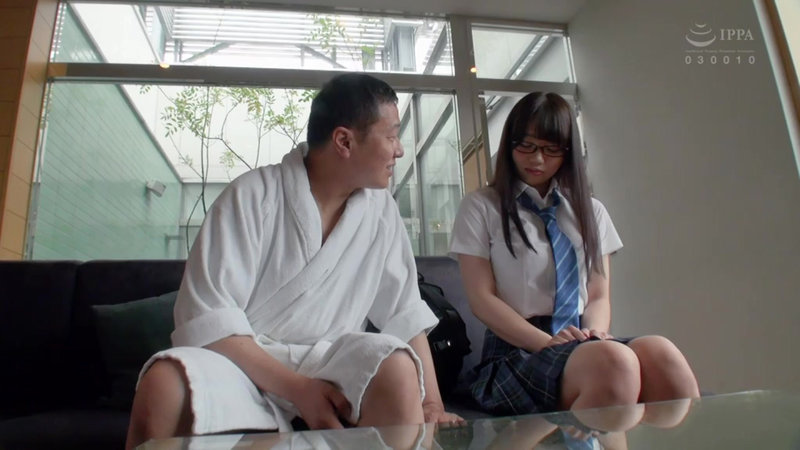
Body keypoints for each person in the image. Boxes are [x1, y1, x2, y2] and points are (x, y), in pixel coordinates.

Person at [126, 73, 460, 449]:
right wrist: (300, 390)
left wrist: (432, 404)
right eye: (392, 136)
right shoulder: (251, 196)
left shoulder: (381, 211)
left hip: (330, 363)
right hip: (245, 364)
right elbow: (208, 318)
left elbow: (404, 311)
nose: (399, 150)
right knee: (163, 381)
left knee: (397, 367)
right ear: (344, 141)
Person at [449, 92, 699, 419]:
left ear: (568, 152)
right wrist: (550, 344)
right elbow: (482, 300)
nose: (537, 159)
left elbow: (598, 296)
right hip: (517, 350)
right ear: (509, 144)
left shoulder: (591, 211)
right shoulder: (482, 207)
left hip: (580, 337)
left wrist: (593, 335)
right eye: (526, 146)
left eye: (551, 149)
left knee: (664, 357)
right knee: (615, 363)